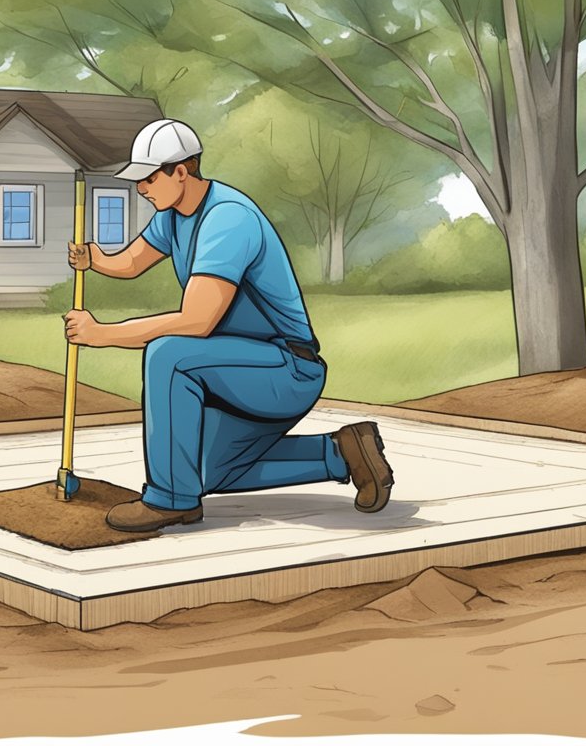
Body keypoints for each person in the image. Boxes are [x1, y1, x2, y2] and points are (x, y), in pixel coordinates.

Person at [64, 118, 394, 533]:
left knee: (169, 355)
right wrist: (96, 259)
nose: (140, 189)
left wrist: (103, 334)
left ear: (180, 171)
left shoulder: (227, 218)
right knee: (203, 472)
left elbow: (197, 321)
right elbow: (132, 261)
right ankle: (342, 454)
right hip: (237, 368)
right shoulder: (174, 215)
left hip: (286, 369)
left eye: (148, 178)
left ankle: (170, 500)